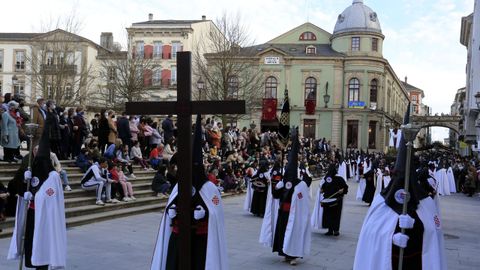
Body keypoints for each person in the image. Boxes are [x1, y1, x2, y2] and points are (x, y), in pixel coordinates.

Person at [353, 106, 447, 270]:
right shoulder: (381, 202)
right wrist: (391, 238)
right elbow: (370, 237)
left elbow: (434, 235)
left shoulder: (426, 203)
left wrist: (416, 226)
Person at [151, 115, 228, 270]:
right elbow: (172, 203)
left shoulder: (209, 188)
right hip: (179, 237)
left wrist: (205, 212)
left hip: (201, 240)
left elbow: (215, 212)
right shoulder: (180, 185)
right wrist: (172, 211)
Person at [7, 109, 67, 269]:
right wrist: (22, 179)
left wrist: (34, 197)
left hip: (45, 218)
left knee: (43, 244)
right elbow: (14, 187)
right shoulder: (30, 169)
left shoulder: (53, 176)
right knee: (30, 242)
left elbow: (50, 196)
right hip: (31, 214)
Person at [267, 129, 311, 266]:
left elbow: (304, 193)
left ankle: (293, 255)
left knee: (293, 233)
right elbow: (275, 196)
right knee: (283, 233)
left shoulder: (299, 185)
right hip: (283, 212)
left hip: (294, 214)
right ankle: (284, 253)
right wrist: (277, 188)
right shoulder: (283, 182)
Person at [311, 163, 348, 236]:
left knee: (335, 215)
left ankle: (336, 230)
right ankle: (330, 230)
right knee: (328, 215)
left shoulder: (339, 178)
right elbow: (324, 187)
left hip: (337, 199)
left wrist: (342, 190)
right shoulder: (327, 178)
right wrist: (322, 189)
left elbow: (345, 187)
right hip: (328, 199)